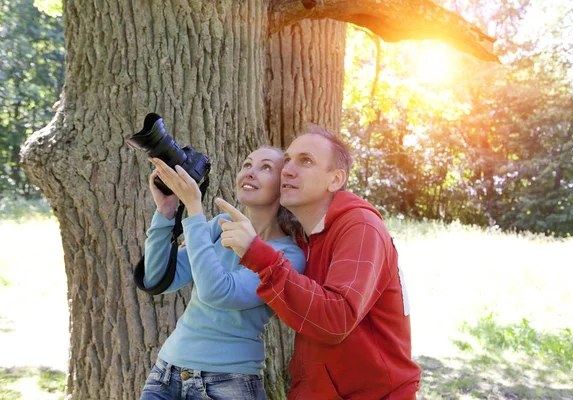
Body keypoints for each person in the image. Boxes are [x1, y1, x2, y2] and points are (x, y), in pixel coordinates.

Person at [216, 125, 421, 399]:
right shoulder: (303, 239)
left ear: (335, 180)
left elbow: (337, 319)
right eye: (287, 159)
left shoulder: (361, 227)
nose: (287, 170)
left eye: (306, 161)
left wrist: (258, 255)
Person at [140, 146, 306, 400]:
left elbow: (218, 292)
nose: (250, 172)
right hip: (166, 373)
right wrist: (166, 212)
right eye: (247, 164)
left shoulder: (288, 257)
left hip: (228, 382)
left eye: (265, 168)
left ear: (284, 186)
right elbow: (158, 278)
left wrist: (194, 209)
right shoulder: (219, 226)